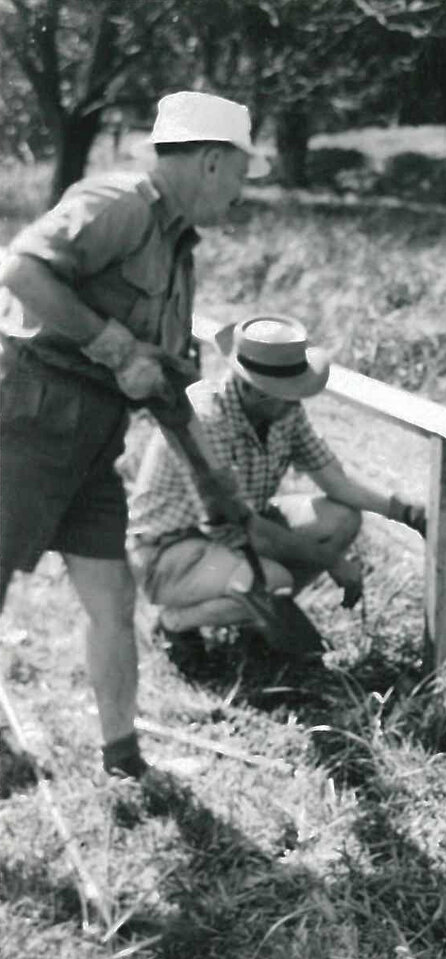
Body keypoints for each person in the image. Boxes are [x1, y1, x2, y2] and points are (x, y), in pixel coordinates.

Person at [0, 91, 268, 779]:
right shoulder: (119, 203)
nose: (240, 196)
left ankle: (122, 758)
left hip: (91, 444)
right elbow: (20, 271)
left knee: (113, 598)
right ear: (211, 162)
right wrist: (115, 348)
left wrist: (215, 489)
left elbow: (168, 384)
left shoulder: (178, 248)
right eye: (240, 176)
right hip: (24, 420)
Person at [129, 315, 426, 654]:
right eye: (286, 393)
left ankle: (257, 620)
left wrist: (404, 511)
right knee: (274, 580)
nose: (296, 401)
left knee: (342, 518)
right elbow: (247, 528)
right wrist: (331, 560)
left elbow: (335, 481)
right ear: (250, 389)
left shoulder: (283, 411)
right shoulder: (206, 420)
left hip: (232, 536)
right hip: (171, 555)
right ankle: (176, 624)